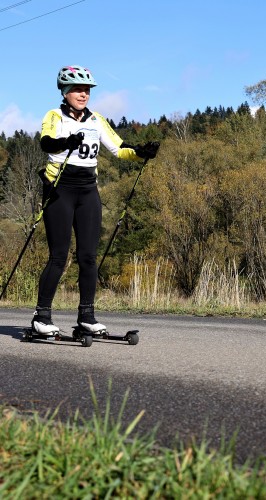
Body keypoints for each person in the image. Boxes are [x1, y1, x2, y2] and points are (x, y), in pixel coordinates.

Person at [32, 65, 159, 335]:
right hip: (60, 190)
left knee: (88, 257)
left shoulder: (96, 120)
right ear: (65, 91)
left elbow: (119, 148)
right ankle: (41, 317)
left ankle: (86, 317)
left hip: (88, 191)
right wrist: (66, 141)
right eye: (78, 89)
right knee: (58, 257)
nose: (83, 94)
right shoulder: (54, 116)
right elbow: (46, 142)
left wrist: (140, 152)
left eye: (87, 90)